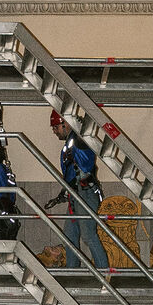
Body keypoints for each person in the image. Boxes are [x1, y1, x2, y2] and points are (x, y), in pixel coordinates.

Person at [46, 110, 108, 275]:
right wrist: (62, 194)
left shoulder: (78, 140)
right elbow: (71, 174)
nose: (54, 131)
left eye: (56, 127)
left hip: (85, 193)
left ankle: (105, 273)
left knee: (88, 236)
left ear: (66, 124)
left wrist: (80, 123)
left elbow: (84, 140)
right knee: (70, 237)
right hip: (76, 194)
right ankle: (72, 273)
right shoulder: (69, 144)